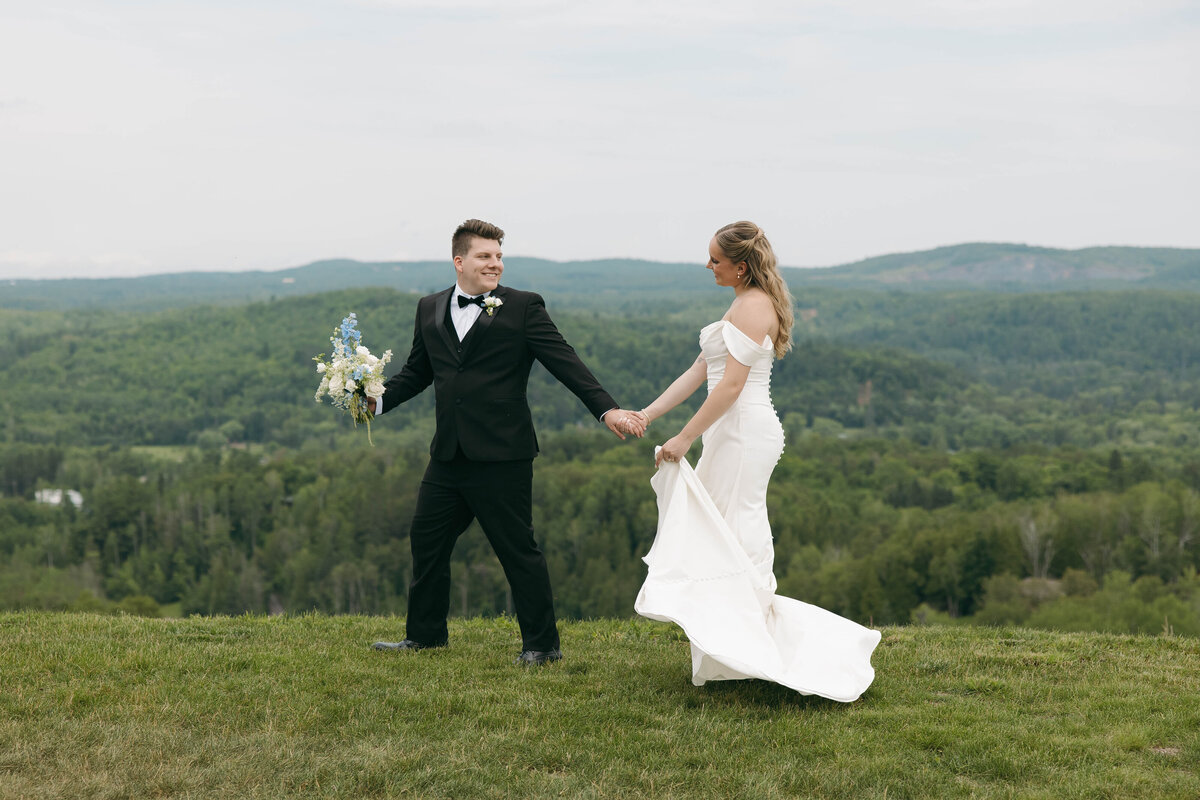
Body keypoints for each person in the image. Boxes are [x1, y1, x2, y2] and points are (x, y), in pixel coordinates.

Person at [368, 219, 644, 665]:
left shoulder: (523, 306)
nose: (495, 264)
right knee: (427, 541)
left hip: (503, 455)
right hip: (448, 454)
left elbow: (565, 361)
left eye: (498, 256)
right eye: (485, 256)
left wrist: (606, 408)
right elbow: (418, 371)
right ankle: (425, 636)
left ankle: (542, 646)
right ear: (459, 261)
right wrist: (376, 403)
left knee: (517, 549)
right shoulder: (429, 307)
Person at [632, 221, 880, 701]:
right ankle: (730, 648)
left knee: (737, 529)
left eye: (715, 260)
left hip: (743, 431)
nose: (709, 266)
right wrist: (646, 414)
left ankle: (753, 643)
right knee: (721, 526)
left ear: (740, 266)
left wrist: (684, 437)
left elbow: (730, 386)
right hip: (731, 429)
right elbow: (701, 371)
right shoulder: (742, 302)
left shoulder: (754, 306)